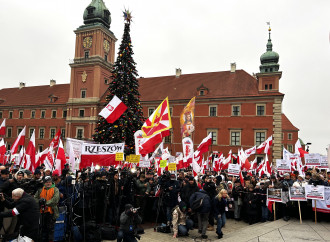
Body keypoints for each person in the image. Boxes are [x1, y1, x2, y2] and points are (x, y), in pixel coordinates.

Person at [34, 176, 60, 242]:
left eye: (49, 182)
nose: (48, 183)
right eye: (47, 182)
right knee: (42, 228)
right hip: (41, 212)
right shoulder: (40, 189)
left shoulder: (55, 189)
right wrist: (39, 201)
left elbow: (55, 200)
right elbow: (35, 198)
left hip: (51, 212)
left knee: (50, 229)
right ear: (44, 183)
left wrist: (45, 203)